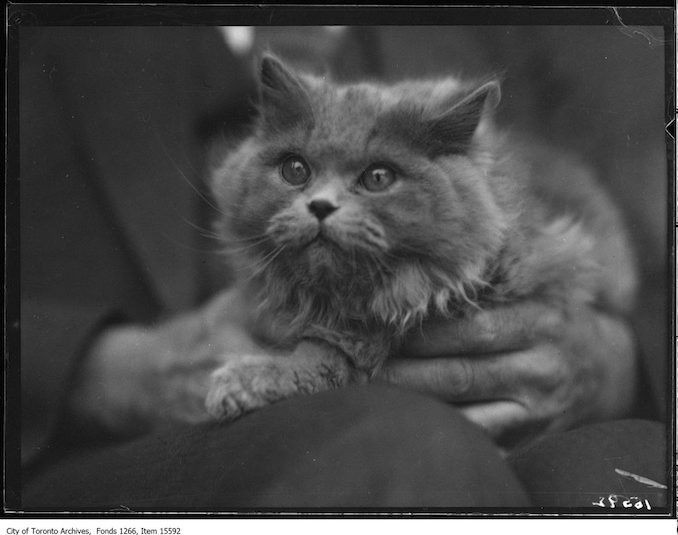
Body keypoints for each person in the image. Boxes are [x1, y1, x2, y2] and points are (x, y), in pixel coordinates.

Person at [16, 25, 668, 510]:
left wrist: (617, 357)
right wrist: (106, 371)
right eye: (297, 169)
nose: (323, 198)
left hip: (529, 426)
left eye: (375, 175)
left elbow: (651, 234)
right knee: (405, 447)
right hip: (106, 458)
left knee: (628, 468)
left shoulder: (540, 30)